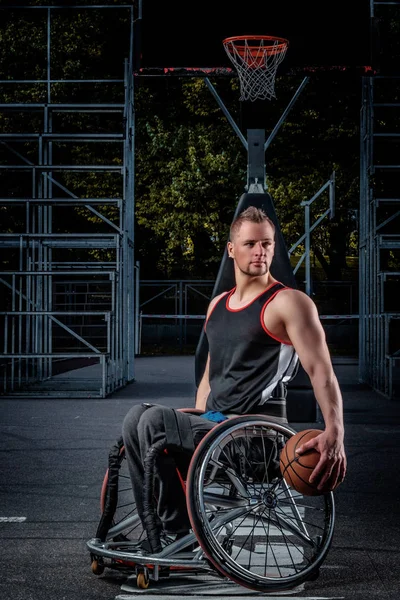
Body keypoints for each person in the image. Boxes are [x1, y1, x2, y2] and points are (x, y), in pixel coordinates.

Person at [122, 205, 347, 543]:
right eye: (251, 244)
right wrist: (193, 418)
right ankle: (159, 527)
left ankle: (173, 532)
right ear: (231, 249)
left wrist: (336, 431)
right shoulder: (218, 305)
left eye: (268, 244)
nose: (261, 251)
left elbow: (322, 371)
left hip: (254, 438)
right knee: (136, 418)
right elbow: (209, 379)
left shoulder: (288, 303)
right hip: (214, 429)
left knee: (153, 422)